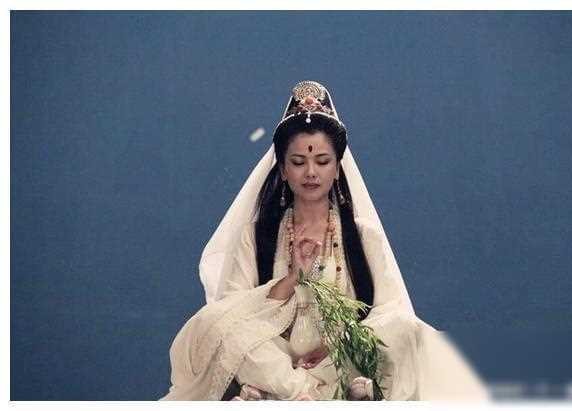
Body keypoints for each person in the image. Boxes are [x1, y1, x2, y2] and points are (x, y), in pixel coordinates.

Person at [159, 80, 491, 401]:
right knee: (224, 333)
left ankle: (283, 392)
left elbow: (389, 308)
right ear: (283, 169)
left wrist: (339, 345)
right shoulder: (257, 235)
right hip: (276, 355)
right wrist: (292, 279)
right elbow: (232, 310)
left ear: (337, 168)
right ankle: (306, 391)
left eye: (322, 161)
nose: (311, 173)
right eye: (298, 162)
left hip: (341, 358)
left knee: (405, 330)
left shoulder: (362, 235)